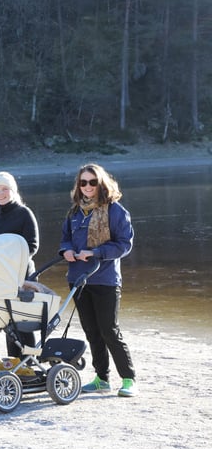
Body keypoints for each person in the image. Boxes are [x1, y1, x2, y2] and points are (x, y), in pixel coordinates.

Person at [60, 163, 137, 397]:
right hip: (78, 280)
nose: (87, 187)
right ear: (78, 185)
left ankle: (128, 379)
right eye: (83, 182)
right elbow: (65, 239)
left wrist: (96, 252)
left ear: (101, 183)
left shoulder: (115, 211)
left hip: (105, 280)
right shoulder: (74, 212)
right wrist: (66, 251)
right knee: (91, 331)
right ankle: (101, 379)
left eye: (92, 182)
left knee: (109, 330)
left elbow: (125, 244)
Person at [0, 171, 40, 357]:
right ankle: (15, 363)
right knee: (8, 321)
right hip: (0, 275)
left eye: (4, 189)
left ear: (12, 190)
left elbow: (33, 245)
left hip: (23, 274)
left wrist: (11, 262)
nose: (1, 193)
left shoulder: (24, 213)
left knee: (23, 321)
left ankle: (29, 363)